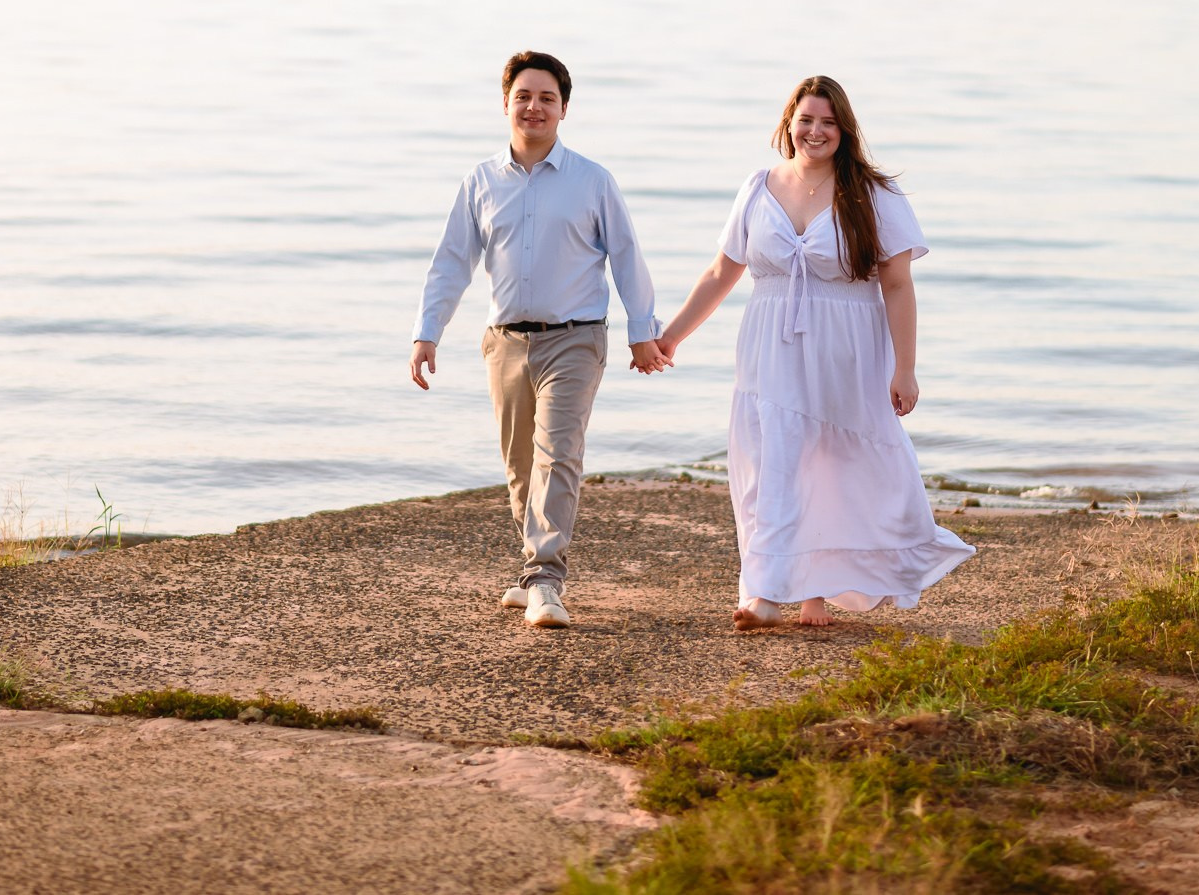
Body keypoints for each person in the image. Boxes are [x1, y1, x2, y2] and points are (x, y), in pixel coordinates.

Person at [655, 76, 972, 629]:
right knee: (772, 461)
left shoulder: (873, 195)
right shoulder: (758, 187)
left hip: (846, 349)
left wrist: (906, 369)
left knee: (835, 465)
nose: (815, 131)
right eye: (806, 119)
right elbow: (721, 271)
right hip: (769, 347)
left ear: (844, 130)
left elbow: (897, 285)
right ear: (788, 123)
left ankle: (813, 592)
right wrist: (671, 336)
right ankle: (766, 591)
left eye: (828, 122)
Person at [411, 51, 666, 629]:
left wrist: (642, 334)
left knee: (559, 455)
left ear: (564, 109)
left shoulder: (592, 181)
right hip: (503, 342)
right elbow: (453, 262)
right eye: (524, 96)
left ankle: (547, 579)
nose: (534, 107)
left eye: (547, 98)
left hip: (574, 339)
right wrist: (428, 333)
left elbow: (628, 258)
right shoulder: (480, 181)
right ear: (506, 104)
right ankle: (533, 568)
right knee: (521, 464)